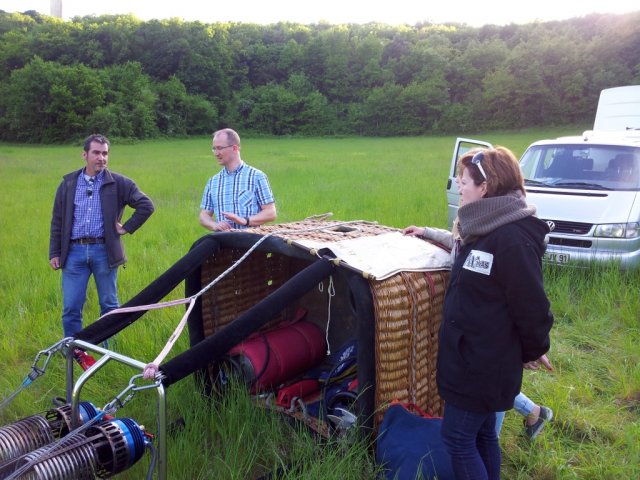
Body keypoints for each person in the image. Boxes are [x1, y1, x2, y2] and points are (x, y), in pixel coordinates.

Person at [403, 146, 554, 480]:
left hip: (484, 361)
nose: (459, 187)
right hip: (470, 355)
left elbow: (532, 304)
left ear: (484, 188)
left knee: (457, 439)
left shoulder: (510, 237)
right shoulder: (483, 227)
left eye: (464, 181)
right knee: (483, 434)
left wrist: (533, 348)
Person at [49, 134, 155, 338]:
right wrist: (55, 252)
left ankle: (110, 353)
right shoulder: (69, 184)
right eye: (96, 153)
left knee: (109, 307)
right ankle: (76, 352)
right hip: (73, 253)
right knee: (71, 308)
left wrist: (127, 227)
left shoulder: (119, 183)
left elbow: (146, 205)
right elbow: (57, 221)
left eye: (105, 153)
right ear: (85, 155)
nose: (101, 158)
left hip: (104, 253)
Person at [199, 128, 276, 231]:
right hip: (223, 241)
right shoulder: (213, 182)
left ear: (235, 148)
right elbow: (204, 215)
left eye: (220, 148)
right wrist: (215, 225)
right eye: (214, 148)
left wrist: (245, 220)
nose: (216, 153)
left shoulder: (256, 176)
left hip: (250, 240)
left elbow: (270, 213)